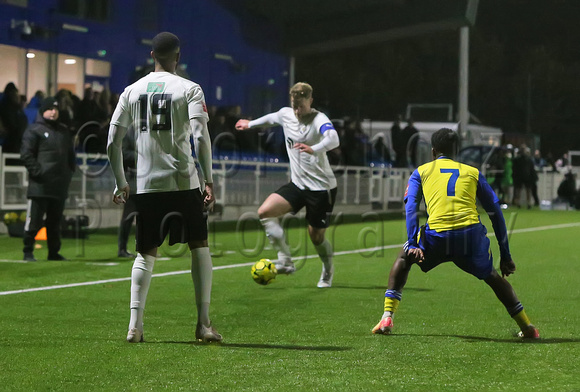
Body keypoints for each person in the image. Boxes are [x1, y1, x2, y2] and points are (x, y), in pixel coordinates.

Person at [107, 32, 221, 343]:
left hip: (146, 185)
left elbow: (112, 141)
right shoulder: (190, 89)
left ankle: (135, 326)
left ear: (152, 55)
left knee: (145, 254)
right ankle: (203, 324)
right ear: (177, 57)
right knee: (199, 246)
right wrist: (209, 179)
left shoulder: (130, 91)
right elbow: (200, 136)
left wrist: (121, 183)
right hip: (184, 182)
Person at [371, 128, 539, 339]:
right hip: (470, 237)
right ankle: (527, 327)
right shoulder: (473, 172)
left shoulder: (421, 172)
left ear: (433, 151)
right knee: (493, 277)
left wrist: (413, 242)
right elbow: (495, 212)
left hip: (437, 237)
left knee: (404, 257)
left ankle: (387, 317)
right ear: (456, 150)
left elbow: (411, 207)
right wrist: (505, 255)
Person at [235, 82, 340, 288]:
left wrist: (314, 148)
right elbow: (271, 119)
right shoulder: (286, 114)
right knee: (265, 212)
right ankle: (285, 261)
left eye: (301, 106)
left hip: (321, 188)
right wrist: (250, 124)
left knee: (316, 236)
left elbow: (333, 139)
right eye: (294, 106)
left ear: (310, 100)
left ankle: (327, 270)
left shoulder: (319, 119)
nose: (297, 111)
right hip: (298, 184)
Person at [20, 97, 76, 261]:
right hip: (40, 186)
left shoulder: (64, 131)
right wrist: (38, 173)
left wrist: (68, 173)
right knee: (34, 221)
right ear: (43, 110)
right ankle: (27, 251)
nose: (54, 112)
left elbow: (70, 156)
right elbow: (26, 155)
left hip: (59, 186)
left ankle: (54, 252)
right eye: (50, 108)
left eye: (56, 109)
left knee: (55, 222)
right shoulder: (34, 130)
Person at [0, 82, 28, 153]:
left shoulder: (15, 108)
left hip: (13, 141)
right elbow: (12, 126)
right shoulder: (8, 108)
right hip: (12, 141)